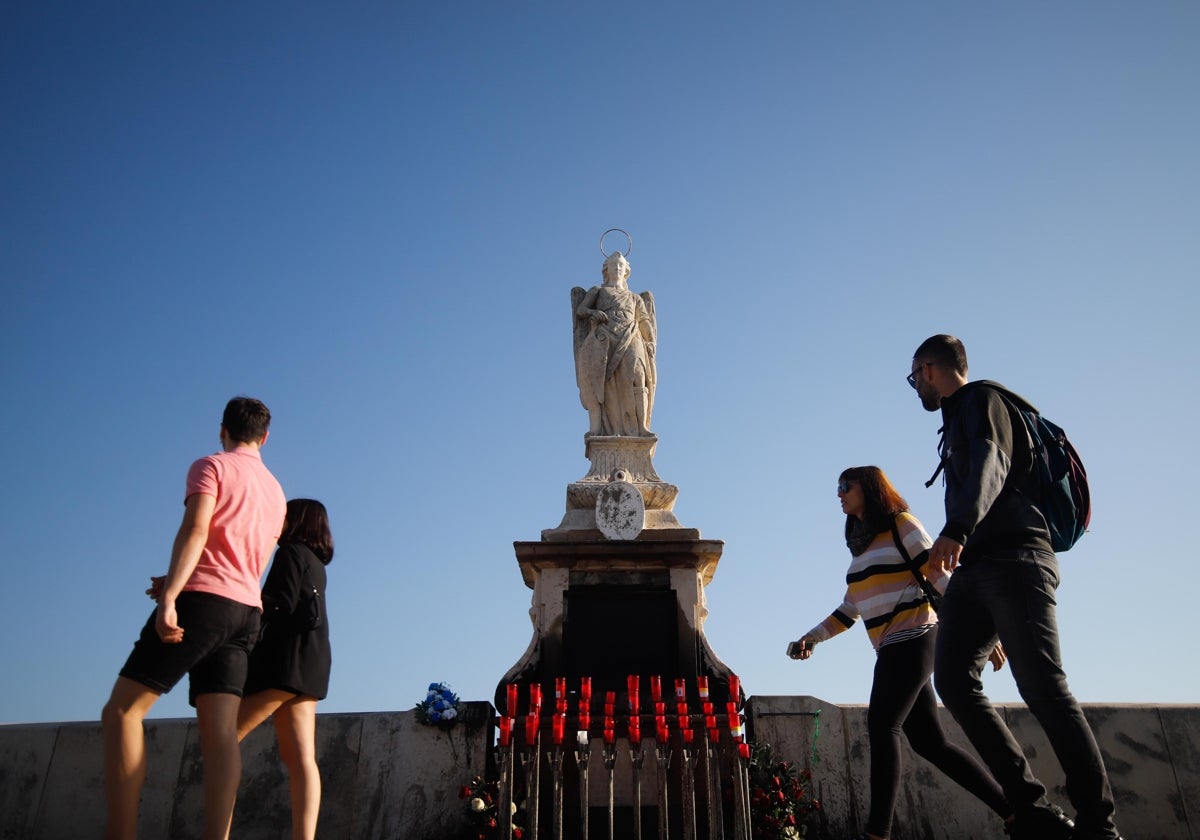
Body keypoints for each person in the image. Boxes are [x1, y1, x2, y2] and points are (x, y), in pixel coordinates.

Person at [908, 334, 1123, 840]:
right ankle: (1032, 809)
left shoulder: (983, 401)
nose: (914, 386)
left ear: (929, 367)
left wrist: (957, 527)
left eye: (914, 376)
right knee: (955, 680)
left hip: (1017, 560)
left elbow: (991, 462)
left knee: (1043, 687)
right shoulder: (956, 416)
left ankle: (1098, 824)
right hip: (976, 569)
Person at [789, 466, 1011, 840]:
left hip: (916, 636)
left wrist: (981, 632)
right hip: (890, 648)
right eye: (837, 488)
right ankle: (1013, 811)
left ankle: (878, 834)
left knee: (882, 725)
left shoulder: (901, 524)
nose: (839, 494)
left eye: (847, 486)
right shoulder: (860, 553)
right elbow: (849, 611)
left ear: (871, 488)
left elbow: (941, 576)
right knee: (930, 743)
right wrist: (810, 638)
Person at [102, 397, 287, 840]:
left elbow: (197, 529)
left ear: (222, 429)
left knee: (122, 713)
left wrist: (171, 595)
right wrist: (178, 576)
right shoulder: (277, 493)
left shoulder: (212, 466)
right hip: (245, 612)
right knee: (221, 733)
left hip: (203, 602)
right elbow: (243, 553)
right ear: (265, 437)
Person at [236, 498, 334, 840]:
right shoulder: (316, 562)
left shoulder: (290, 553)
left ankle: (219, 825)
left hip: (285, 663)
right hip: (312, 662)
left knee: (223, 738)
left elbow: (279, 604)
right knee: (301, 757)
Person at [571, 250, 657, 437]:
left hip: (631, 335)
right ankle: (607, 427)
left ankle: (642, 427)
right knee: (606, 381)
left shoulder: (635, 298)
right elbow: (581, 309)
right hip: (605, 338)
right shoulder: (598, 291)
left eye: (621, 265)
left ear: (626, 270)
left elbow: (644, 320)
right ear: (606, 270)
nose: (617, 268)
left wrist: (650, 341)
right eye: (613, 265)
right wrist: (593, 313)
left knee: (638, 375)